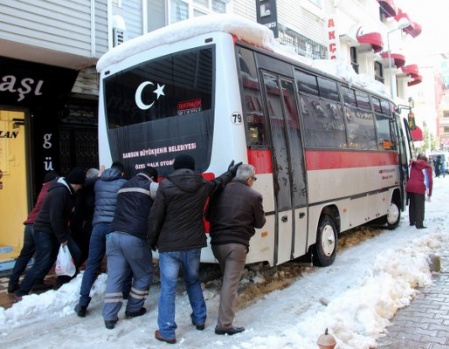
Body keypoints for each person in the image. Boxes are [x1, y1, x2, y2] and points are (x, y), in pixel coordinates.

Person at [147, 154, 241, 344]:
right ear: (192, 168)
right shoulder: (202, 184)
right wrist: (231, 172)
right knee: (192, 281)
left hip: (170, 245)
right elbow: (218, 183)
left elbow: (155, 216)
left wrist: (152, 240)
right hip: (192, 243)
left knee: (168, 288)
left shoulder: (165, 185)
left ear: (175, 167)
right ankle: (199, 319)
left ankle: (166, 331)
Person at [206, 164, 266, 336]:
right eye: (253, 179)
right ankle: (224, 324)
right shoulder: (254, 196)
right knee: (230, 284)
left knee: (227, 280)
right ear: (248, 179)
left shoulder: (218, 192)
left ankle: (225, 316)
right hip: (237, 245)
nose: (253, 182)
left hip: (217, 244)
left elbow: (208, 216)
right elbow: (260, 223)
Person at [14, 167, 85, 301]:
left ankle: (64, 281)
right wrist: (62, 238)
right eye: (80, 185)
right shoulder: (60, 192)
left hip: (53, 230)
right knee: (43, 261)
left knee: (73, 252)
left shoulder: (65, 191)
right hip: (44, 230)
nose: (80, 188)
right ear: (75, 183)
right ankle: (22, 291)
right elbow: (55, 217)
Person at [102, 167, 159, 330]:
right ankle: (134, 308)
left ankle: (109, 316)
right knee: (143, 274)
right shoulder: (151, 186)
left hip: (112, 236)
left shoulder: (123, 186)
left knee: (114, 277)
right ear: (153, 177)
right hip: (134, 236)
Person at [74, 162, 127, 317]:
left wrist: (99, 175)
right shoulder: (123, 183)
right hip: (114, 227)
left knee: (92, 264)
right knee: (116, 264)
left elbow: (85, 183)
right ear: (122, 173)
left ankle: (83, 302)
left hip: (97, 227)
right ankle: (121, 295)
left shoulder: (98, 182)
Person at [7, 170, 59, 294]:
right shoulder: (53, 189)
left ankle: (12, 283)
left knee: (24, 255)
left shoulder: (43, 189)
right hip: (39, 226)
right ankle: (35, 282)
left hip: (29, 224)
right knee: (43, 257)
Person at [71, 167, 100, 267]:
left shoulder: (84, 189)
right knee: (84, 251)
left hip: (82, 225)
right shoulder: (87, 188)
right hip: (84, 226)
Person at [406, 155, 433, 229]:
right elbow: (429, 181)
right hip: (419, 187)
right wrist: (429, 193)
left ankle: (412, 221)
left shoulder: (413, 164)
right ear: (426, 160)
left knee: (412, 204)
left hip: (410, 186)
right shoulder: (427, 167)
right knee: (420, 206)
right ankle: (419, 224)